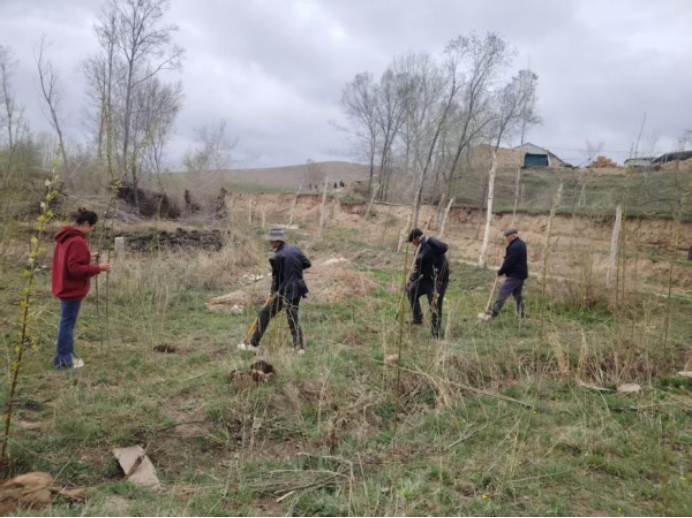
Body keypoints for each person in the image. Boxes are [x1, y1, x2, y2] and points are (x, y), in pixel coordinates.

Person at [51, 208, 111, 369]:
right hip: (71, 289)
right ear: (85, 224)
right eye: (92, 227)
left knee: (66, 322)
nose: (92, 231)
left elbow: (69, 259)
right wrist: (99, 268)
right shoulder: (77, 241)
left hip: (64, 286)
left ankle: (66, 355)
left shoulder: (66, 237)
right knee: (67, 324)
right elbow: (75, 269)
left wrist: (88, 256)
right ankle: (63, 360)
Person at [237, 227, 311, 354]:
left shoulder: (277, 256)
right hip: (298, 288)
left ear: (277, 241)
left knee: (264, 314)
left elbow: (276, 279)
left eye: (271, 240)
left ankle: (253, 344)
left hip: (285, 291)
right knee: (293, 317)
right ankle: (299, 348)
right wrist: (294, 270)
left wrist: (272, 293)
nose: (270, 242)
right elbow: (307, 263)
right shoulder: (295, 248)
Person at [406, 228, 450, 338]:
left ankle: (435, 333)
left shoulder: (432, 243)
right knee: (410, 290)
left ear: (416, 238)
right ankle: (417, 318)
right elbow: (420, 268)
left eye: (413, 241)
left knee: (435, 305)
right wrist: (413, 276)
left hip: (438, 280)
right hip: (426, 279)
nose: (413, 244)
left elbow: (444, 247)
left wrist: (429, 239)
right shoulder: (419, 250)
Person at [491, 228, 528, 318]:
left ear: (513, 236)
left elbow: (509, 262)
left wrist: (500, 272)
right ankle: (522, 313)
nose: (506, 238)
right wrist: (507, 256)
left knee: (503, 291)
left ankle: (494, 312)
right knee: (517, 294)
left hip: (515, 274)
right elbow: (512, 258)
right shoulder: (521, 244)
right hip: (521, 273)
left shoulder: (515, 247)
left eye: (507, 236)